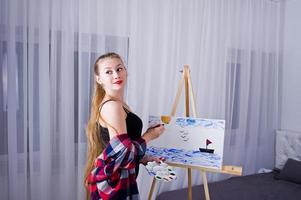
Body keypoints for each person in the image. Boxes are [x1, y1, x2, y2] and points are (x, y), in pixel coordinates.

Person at [84, 52, 165, 200]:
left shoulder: (119, 105)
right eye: (108, 71)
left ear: (126, 71)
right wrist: (149, 136)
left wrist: (143, 158)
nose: (116, 74)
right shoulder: (112, 106)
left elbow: (115, 151)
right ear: (99, 79)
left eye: (119, 68)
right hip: (114, 188)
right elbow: (125, 154)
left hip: (118, 184)